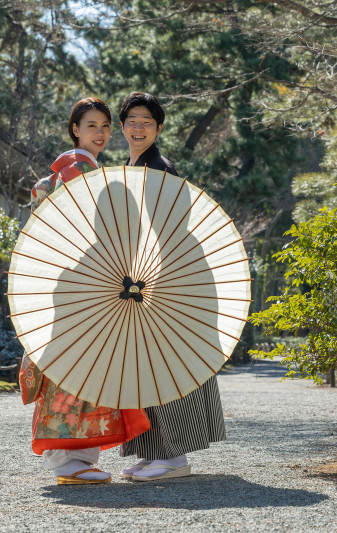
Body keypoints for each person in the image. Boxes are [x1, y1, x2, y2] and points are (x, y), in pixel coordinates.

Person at [20, 96, 151, 485]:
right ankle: (68, 460)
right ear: (75, 129)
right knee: (78, 369)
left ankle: (76, 459)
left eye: (106, 126)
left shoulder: (71, 171)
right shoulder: (79, 171)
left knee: (80, 367)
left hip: (75, 283)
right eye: (91, 125)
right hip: (81, 284)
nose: (100, 132)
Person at [118, 92, 227, 482]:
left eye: (147, 120)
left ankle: (175, 456)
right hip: (143, 277)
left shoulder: (159, 168)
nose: (138, 126)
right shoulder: (130, 167)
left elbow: (168, 229)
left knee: (166, 363)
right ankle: (152, 451)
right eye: (132, 119)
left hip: (168, 278)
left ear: (159, 128)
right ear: (123, 126)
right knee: (142, 366)